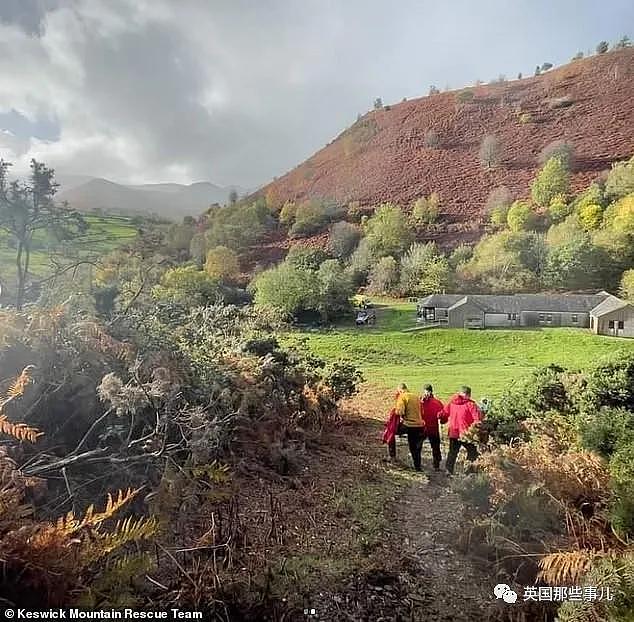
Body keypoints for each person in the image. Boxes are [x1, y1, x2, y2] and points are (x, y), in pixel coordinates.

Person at [443, 385, 483, 475]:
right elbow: (477, 420)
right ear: (469, 395)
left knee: (452, 453)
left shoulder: (452, 402)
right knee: (473, 452)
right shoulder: (471, 404)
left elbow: (444, 414)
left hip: (453, 432)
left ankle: (448, 471)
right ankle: (469, 471)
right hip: (466, 434)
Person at [388, 383, 425, 471]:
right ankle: (418, 467)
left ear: (400, 390)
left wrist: (396, 412)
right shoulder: (416, 397)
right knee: (414, 446)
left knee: (390, 432)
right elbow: (422, 412)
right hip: (419, 425)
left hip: (408, 425)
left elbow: (400, 412)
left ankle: (392, 456)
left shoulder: (402, 397)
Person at [420, 384, 444, 471]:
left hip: (422, 427)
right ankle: (436, 465)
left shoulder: (420, 402)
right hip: (433, 428)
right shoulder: (437, 403)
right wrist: (442, 421)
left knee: (418, 445)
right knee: (435, 446)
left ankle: (417, 464)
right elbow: (443, 415)